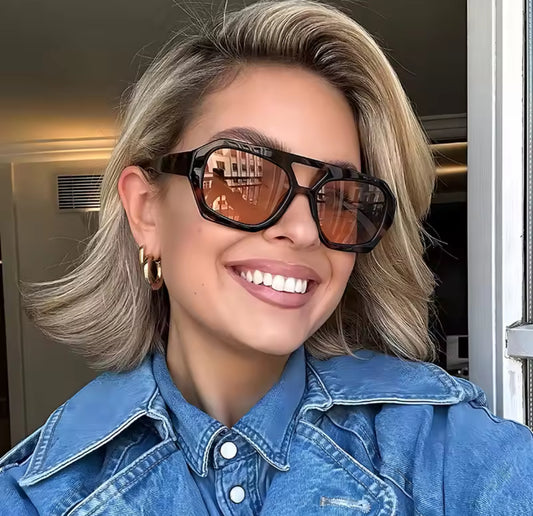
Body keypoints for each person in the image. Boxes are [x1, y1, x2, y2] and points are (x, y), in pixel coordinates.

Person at [1, 1, 532, 514]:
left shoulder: (439, 453)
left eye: (340, 196)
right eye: (242, 176)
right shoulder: (32, 496)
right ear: (147, 211)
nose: (303, 230)